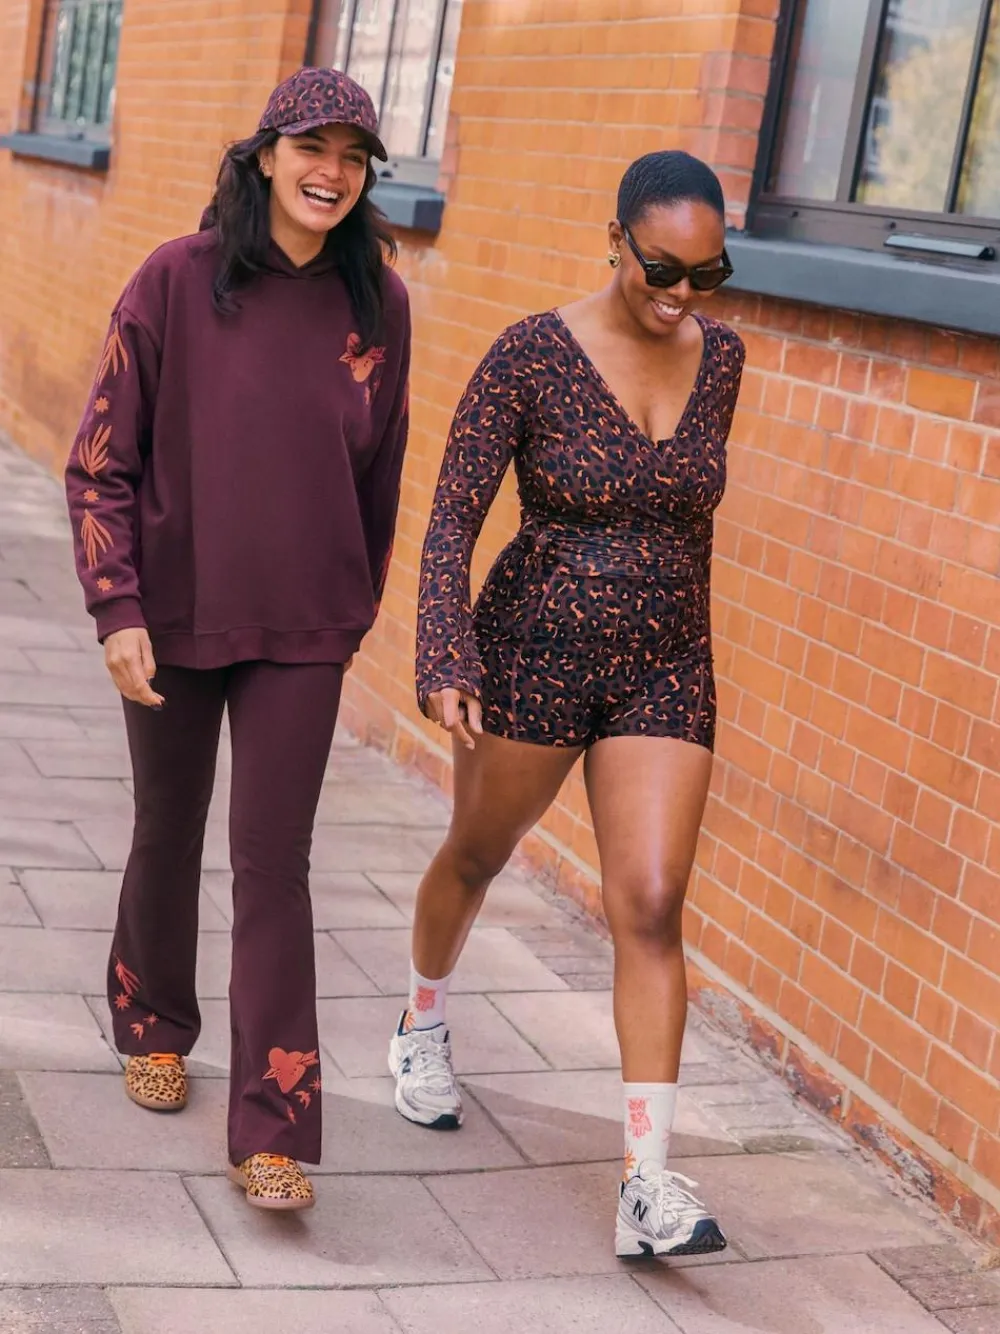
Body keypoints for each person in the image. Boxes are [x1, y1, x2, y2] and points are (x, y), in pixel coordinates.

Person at [64, 68, 410, 1212]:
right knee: (167, 828)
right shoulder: (173, 279)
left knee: (274, 864)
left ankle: (273, 1123)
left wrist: (350, 611)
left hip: (304, 628)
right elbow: (99, 462)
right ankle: (153, 1020)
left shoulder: (379, 304)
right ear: (265, 154)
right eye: (313, 147)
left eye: (354, 157)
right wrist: (116, 607)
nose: (332, 173)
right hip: (172, 611)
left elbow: (380, 475)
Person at [392, 151, 744, 1257]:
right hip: (532, 650)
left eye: (706, 274)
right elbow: (453, 516)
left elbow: (688, 520)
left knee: (652, 899)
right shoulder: (529, 355)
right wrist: (446, 647)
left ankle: (646, 1181)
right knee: (475, 853)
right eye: (661, 268)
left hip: (664, 662)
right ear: (615, 240)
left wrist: (682, 646)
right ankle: (421, 1019)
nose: (681, 294)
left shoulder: (723, 360)